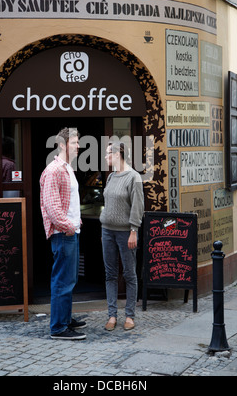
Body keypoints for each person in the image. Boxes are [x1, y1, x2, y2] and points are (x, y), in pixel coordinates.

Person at [40, 127, 86, 340]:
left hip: (70, 231)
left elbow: (68, 204)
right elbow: (52, 206)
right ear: (62, 144)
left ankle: (65, 318)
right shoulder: (54, 170)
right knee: (62, 280)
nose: (78, 146)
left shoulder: (67, 168)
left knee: (70, 279)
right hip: (63, 233)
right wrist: (68, 227)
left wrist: (76, 222)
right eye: (75, 142)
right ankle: (58, 327)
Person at [100, 142, 144, 331]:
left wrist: (134, 230)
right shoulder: (111, 177)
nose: (105, 157)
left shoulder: (133, 177)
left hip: (126, 232)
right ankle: (112, 315)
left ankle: (129, 315)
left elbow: (137, 206)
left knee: (129, 274)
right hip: (107, 231)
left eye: (108, 153)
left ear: (118, 155)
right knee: (110, 274)